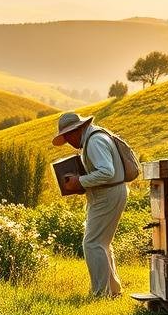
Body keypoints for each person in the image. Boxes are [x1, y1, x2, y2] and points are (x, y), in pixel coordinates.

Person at [52, 112, 125, 298]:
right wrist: (82, 183)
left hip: (106, 195)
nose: (68, 140)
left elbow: (107, 172)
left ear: (77, 129)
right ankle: (113, 290)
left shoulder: (94, 141)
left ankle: (101, 293)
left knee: (92, 243)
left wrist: (80, 181)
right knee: (101, 243)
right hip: (108, 193)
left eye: (68, 135)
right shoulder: (96, 137)